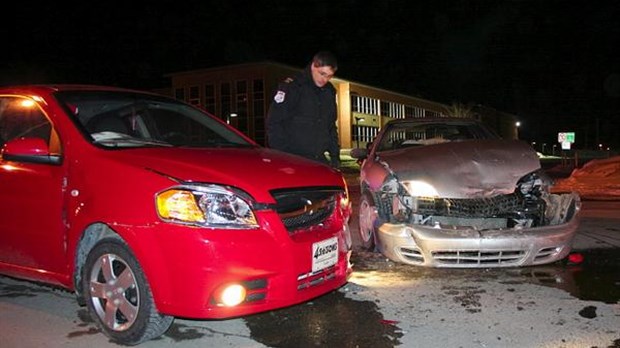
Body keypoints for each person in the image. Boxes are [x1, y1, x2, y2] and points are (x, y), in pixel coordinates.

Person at [266, 51, 341, 168]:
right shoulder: (293, 87)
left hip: (318, 159)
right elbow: (274, 122)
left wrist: (335, 156)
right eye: (322, 73)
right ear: (313, 66)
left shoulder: (329, 92)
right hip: (293, 159)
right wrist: (283, 156)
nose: (325, 79)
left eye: (329, 76)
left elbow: (330, 126)